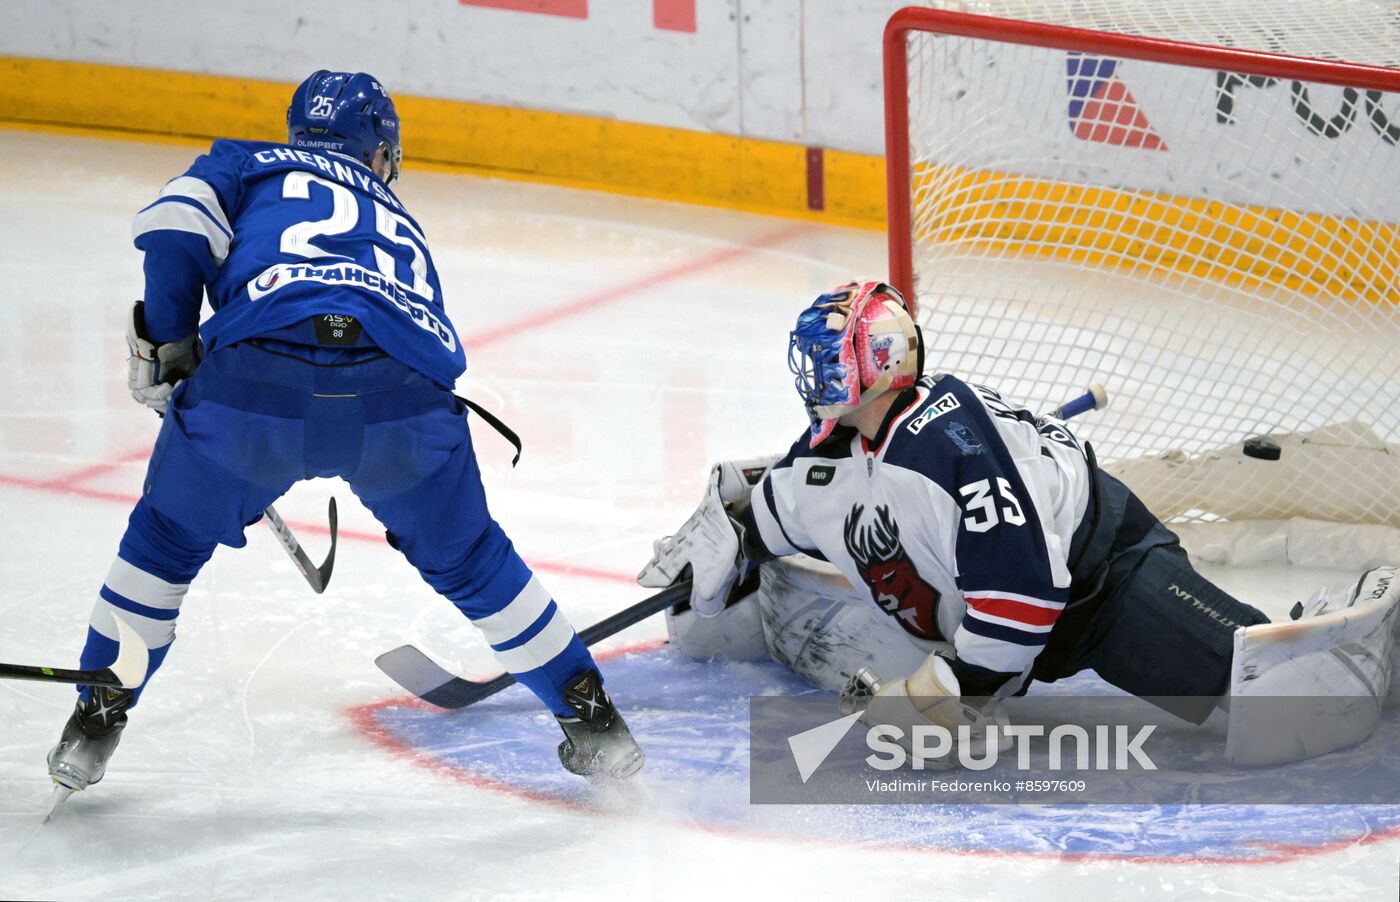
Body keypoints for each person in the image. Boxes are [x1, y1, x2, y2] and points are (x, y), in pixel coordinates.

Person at [47, 71, 644, 793]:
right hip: (401, 402)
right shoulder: (395, 214)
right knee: (476, 563)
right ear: (382, 152)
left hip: (256, 393)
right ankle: (595, 720)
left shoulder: (247, 161)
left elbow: (174, 232)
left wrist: (169, 344)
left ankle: (96, 719)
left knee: (166, 544)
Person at [640, 280, 1397, 763]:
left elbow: (1025, 600)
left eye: (835, 364)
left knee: (1275, 701)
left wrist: (946, 693)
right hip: (1028, 606)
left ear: (884, 361)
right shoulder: (826, 461)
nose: (819, 383)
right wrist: (722, 541)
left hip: (1101, 582)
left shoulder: (948, 444)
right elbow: (766, 516)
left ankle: (1379, 621)